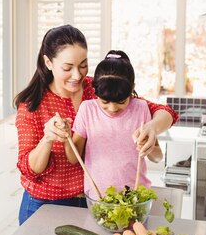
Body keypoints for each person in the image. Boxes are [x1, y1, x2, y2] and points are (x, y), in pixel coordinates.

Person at [14, 25, 178, 224]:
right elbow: (30, 169)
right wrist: (48, 139)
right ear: (48, 62)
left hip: (96, 202)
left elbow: (163, 112)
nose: (77, 75)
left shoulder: (99, 87)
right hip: (47, 204)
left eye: (83, 65)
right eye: (67, 68)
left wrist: (152, 128)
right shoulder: (32, 105)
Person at [68, 50, 163, 198]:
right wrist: (65, 135)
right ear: (95, 91)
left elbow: (157, 158)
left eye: (121, 102)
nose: (112, 109)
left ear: (131, 89)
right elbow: (74, 158)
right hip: (99, 198)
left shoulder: (141, 108)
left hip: (136, 197)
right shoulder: (87, 110)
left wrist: (147, 147)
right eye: (105, 102)